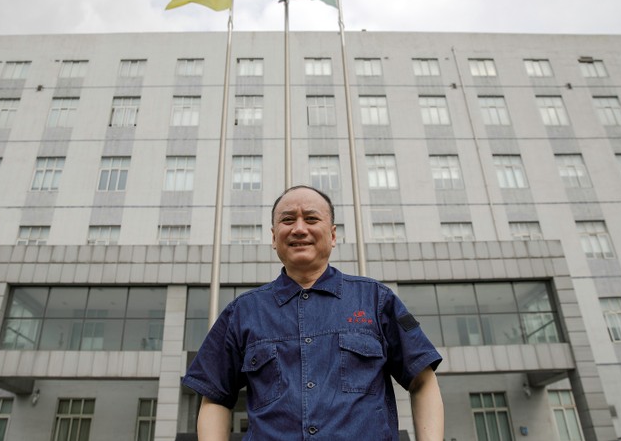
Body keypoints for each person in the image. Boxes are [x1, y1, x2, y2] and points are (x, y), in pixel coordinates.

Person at [183, 185, 444, 440]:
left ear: (332, 235)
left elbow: (422, 381)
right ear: (274, 237)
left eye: (310, 218)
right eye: (287, 220)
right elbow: (215, 398)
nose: (299, 228)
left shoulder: (376, 300)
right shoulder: (243, 312)